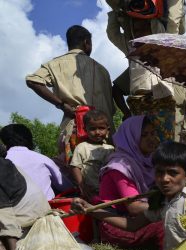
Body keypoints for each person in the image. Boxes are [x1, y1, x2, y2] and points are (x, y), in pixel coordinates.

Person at [25, 25, 114, 161]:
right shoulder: (102, 70)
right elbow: (111, 108)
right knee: (106, 176)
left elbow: (33, 81)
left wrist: (62, 105)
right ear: (86, 43)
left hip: (75, 129)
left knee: (75, 172)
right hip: (104, 133)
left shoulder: (55, 64)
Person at [97, 116, 163, 250]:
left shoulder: (149, 160)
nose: (151, 138)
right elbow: (134, 207)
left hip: (140, 219)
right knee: (166, 225)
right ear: (130, 138)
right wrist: (167, 207)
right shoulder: (120, 166)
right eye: (144, 135)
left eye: (153, 133)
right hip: (119, 223)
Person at [0, 124, 72, 201]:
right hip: (47, 209)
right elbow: (67, 187)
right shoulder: (42, 159)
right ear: (29, 139)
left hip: (12, 209)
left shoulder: (3, 160)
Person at [70, 110, 115, 200]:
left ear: (108, 130)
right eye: (92, 129)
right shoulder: (82, 147)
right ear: (85, 130)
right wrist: (82, 186)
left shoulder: (110, 149)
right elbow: (75, 167)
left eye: (101, 128)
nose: (97, 132)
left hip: (109, 191)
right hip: (90, 192)